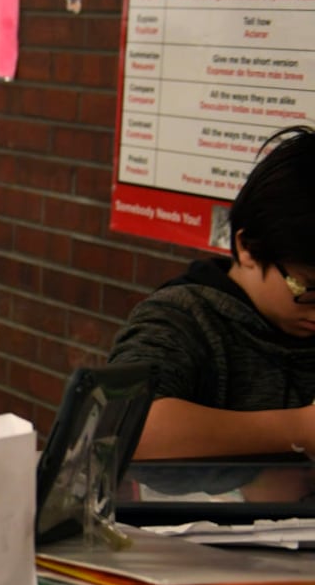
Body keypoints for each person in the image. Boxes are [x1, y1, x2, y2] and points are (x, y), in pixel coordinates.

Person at [110, 125, 315, 460]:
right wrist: (301, 430)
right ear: (247, 248)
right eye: (309, 288)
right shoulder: (182, 318)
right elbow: (124, 426)